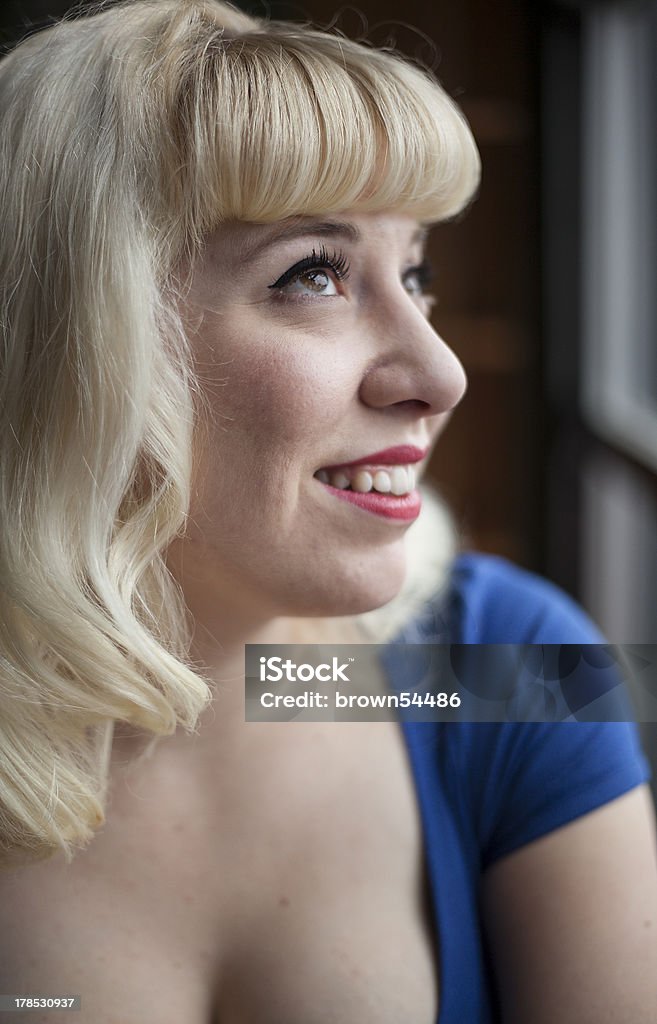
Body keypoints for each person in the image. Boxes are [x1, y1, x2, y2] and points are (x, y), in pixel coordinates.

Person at [0, 1, 655, 1022]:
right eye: (315, 274)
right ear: (78, 345)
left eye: (416, 271)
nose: (439, 375)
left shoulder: (506, 662)